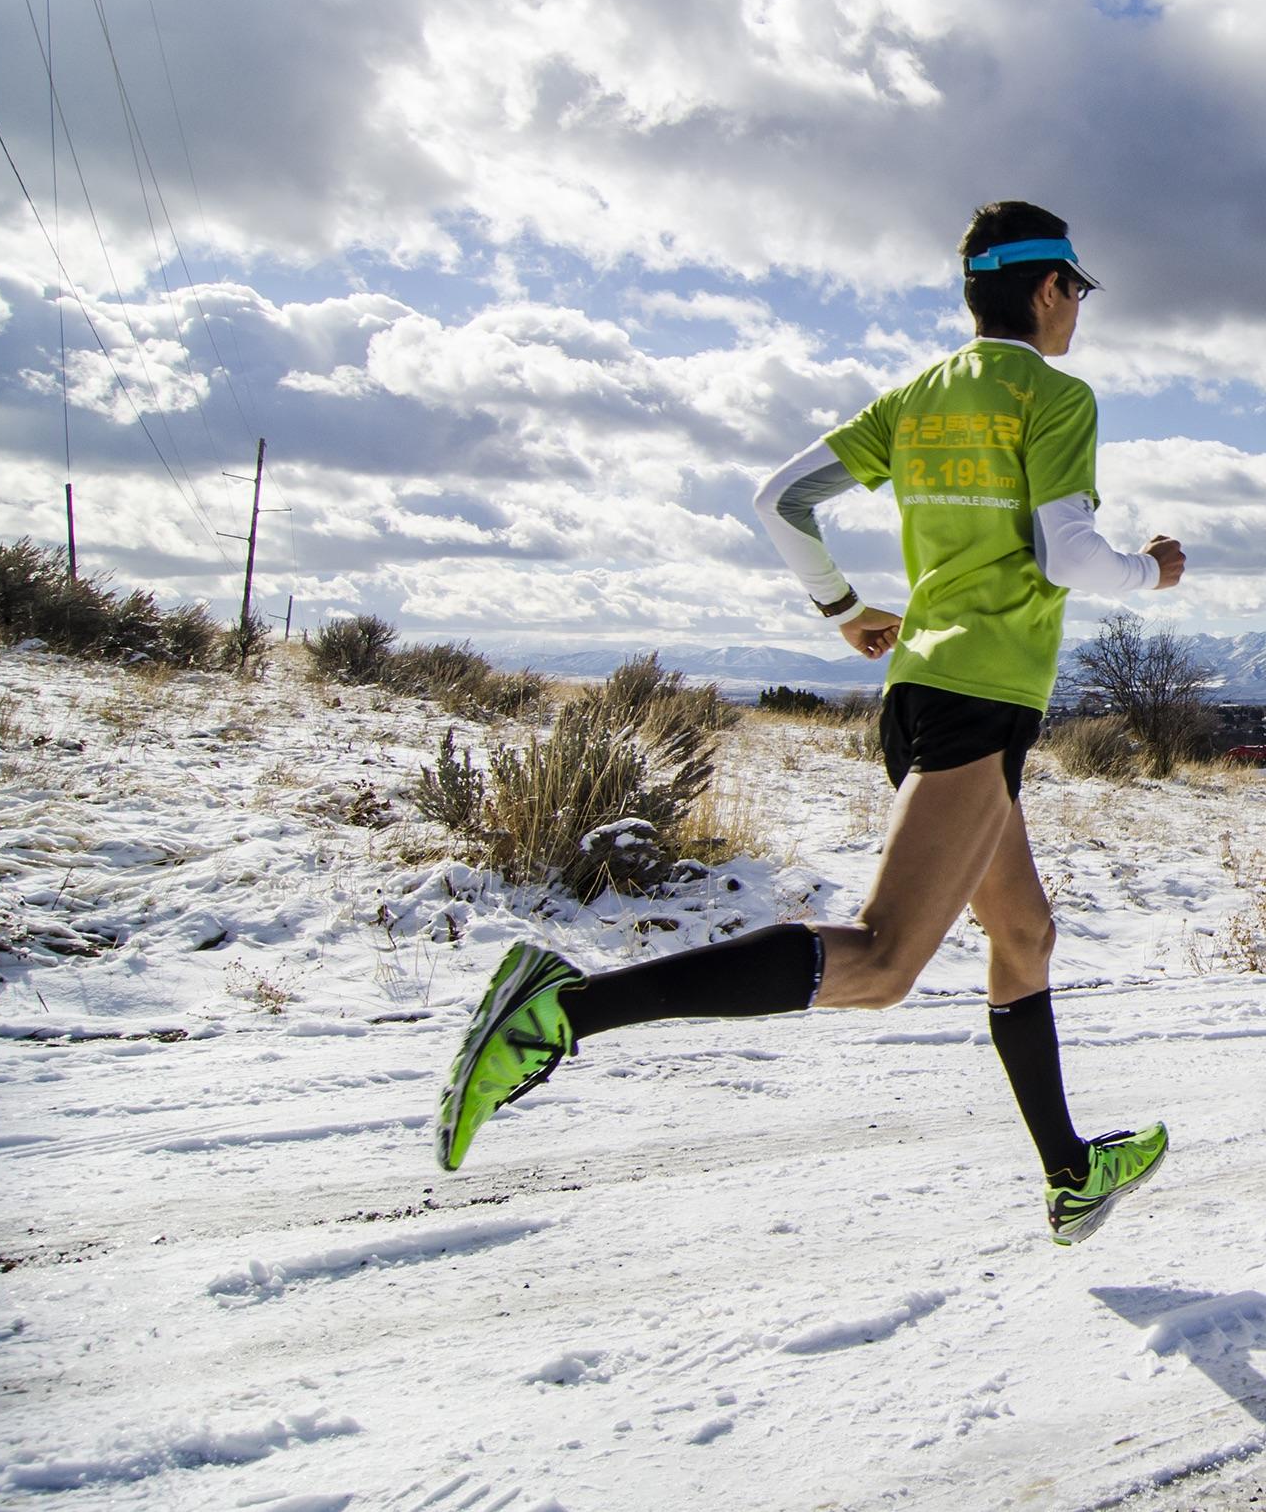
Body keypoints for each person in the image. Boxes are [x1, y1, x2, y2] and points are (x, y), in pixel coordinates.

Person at [434, 200, 1185, 1246]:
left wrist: (842, 609)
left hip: (925, 691)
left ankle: (1067, 1171)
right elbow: (1067, 554)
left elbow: (778, 497)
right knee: (880, 963)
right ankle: (565, 1008)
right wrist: (1152, 568)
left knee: (1024, 931)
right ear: (1050, 288)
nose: (1078, 315)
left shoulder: (917, 401)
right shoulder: (1054, 398)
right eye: (1078, 294)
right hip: (977, 705)